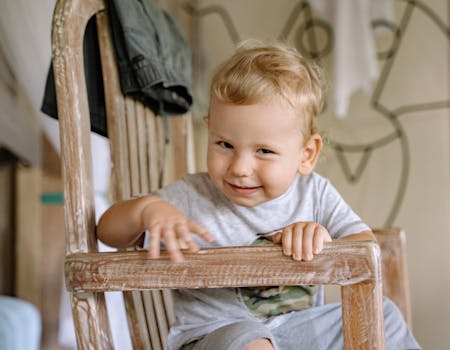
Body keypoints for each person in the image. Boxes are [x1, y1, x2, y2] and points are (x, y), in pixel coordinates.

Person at [97, 40, 420, 350]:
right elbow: (107, 232)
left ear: (307, 154)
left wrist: (325, 241)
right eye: (224, 144)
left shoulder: (315, 193)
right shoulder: (190, 197)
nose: (239, 167)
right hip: (219, 336)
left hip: (298, 328)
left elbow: (365, 250)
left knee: (384, 316)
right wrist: (147, 210)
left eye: (264, 151)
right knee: (251, 341)